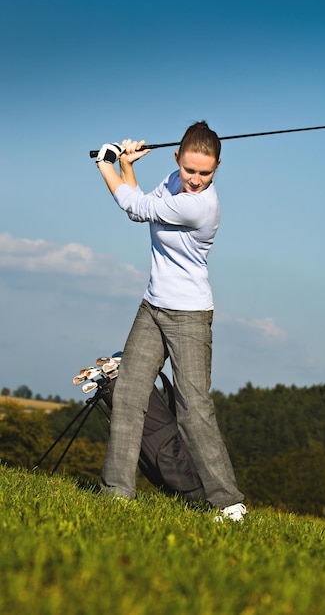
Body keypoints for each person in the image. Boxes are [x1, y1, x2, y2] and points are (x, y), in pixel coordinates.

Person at [95, 121, 246, 521]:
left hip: (189, 315)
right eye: (189, 169)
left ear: (216, 169)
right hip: (153, 306)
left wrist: (104, 163)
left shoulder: (199, 206)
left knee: (192, 408)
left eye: (205, 173)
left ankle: (229, 503)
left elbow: (133, 206)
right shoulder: (171, 182)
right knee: (128, 394)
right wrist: (128, 166)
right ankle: (115, 493)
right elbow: (140, 208)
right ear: (177, 158)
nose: (196, 180)